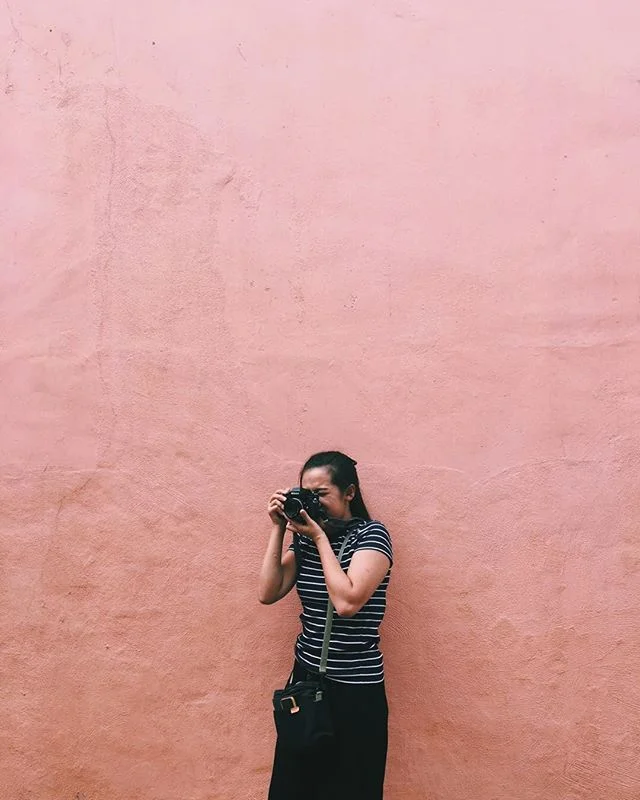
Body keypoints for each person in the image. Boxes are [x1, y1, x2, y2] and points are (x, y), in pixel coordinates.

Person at [259, 451, 393, 800]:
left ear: (349, 492)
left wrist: (320, 538)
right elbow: (268, 592)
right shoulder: (302, 539)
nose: (312, 502)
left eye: (320, 495)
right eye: (306, 493)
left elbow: (347, 602)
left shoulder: (372, 536)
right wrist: (278, 529)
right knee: (294, 788)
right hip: (306, 683)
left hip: (355, 690)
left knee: (351, 789)